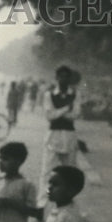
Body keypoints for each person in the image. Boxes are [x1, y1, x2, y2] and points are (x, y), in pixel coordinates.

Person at [38, 65, 80, 206]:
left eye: (66, 76)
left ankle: (68, 204)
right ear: (56, 78)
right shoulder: (49, 95)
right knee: (47, 170)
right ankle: (42, 204)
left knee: (70, 171)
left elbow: (75, 115)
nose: (64, 79)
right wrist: (66, 108)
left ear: (70, 79)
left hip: (69, 135)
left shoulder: (75, 94)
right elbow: (49, 116)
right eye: (61, 76)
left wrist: (59, 112)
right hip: (53, 135)